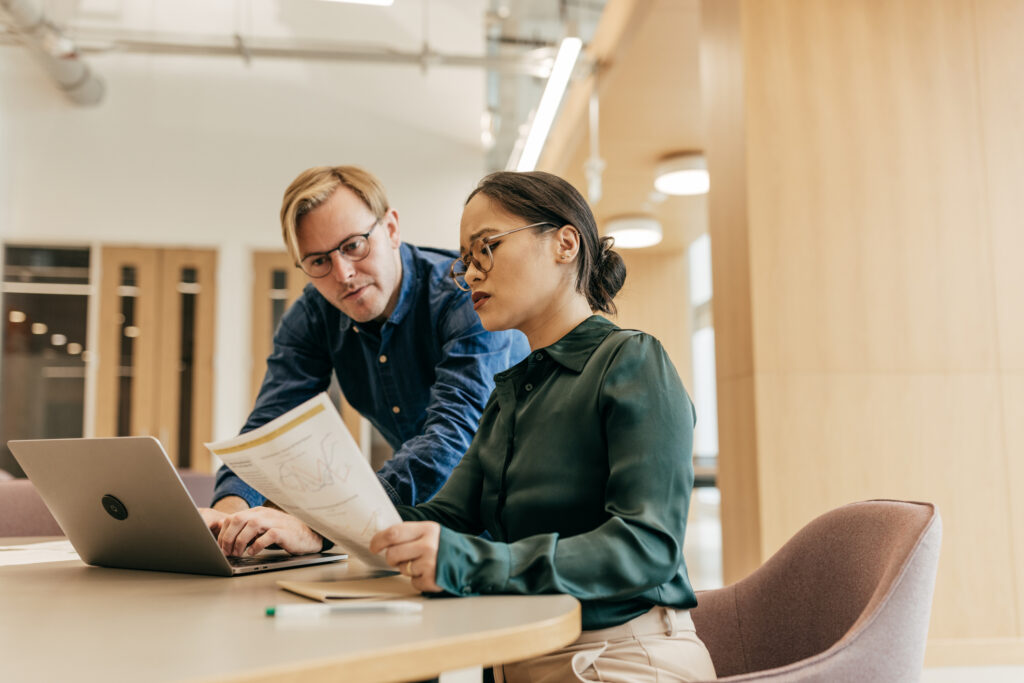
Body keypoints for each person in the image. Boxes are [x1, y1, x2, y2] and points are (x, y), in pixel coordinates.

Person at [369, 171, 716, 682]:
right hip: (523, 657)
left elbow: (647, 546)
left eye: (485, 247)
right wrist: (317, 526)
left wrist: (473, 562)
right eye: (465, 261)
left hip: (621, 658)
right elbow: (444, 516)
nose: (470, 275)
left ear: (565, 243)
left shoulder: (632, 362)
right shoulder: (510, 394)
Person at [203, 166, 528, 558]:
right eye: (318, 261)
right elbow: (269, 428)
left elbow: (452, 437)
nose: (343, 274)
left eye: (354, 245)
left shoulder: (464, 298)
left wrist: (324, 525)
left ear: (391, 228)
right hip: (422, 527)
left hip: (517, 528)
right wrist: (228, 517)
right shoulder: (313, 316)